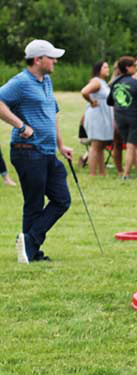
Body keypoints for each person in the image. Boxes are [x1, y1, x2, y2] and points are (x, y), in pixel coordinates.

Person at [0, 39, 72, 264]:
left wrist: (61, 145)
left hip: (48, 151)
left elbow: (53, 114)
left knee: (62, 199)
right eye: (51, 57)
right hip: (27, 151)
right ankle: (31, 250)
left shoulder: (47, 81)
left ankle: (29, 245)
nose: (55, 61)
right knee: (34, 203)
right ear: (38, 59)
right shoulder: (20, 82)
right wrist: (20, 126)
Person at [108, 56, 137, 179]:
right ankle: (126, 174)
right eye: (134, 66)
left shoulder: (115, 82)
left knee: (133, 144)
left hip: (120, 116)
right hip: (134, 116)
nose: (135, 68)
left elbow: (110, 101)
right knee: (131, 145)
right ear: (128, 68)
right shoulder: (135, 82)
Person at [81, 60, 113, 176]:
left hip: (103, 115)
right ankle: (92, 173)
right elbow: (84, 91)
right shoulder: (96, 82)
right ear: (98, 69)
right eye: (105, 67)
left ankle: (102, 172)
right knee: (95, 146)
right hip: (96, 116)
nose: (107, 69)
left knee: (101, 145)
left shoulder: (103, 82)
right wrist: (91, 101)